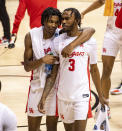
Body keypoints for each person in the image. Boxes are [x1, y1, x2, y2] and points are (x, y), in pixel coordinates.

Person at [24, 7, 96, 131]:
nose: (53, 25)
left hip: (55, 87)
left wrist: (71, 45)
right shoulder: (31, 36)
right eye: (50, 21)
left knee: (51, 127)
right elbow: (26, 67)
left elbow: (90, 30)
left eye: (56, 22)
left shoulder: (61, 33)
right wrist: (42, 60)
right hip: (37, 85)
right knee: (33, 128)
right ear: (43, 21)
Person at [38, 8, 106, 131]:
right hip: (63, 96)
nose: (63, 21)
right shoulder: (58, 41)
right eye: (62, 19)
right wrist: (43, 97)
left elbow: (94, 70)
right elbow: (53, 73)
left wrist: (101, 95)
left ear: (77, 20)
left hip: (82, 96)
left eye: (67, 18)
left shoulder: (90, 41)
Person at [81, 0, 122, 104]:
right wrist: (83, 12)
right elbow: (101, 1)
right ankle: (105, 106)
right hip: (112, 33)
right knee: (106, 69)